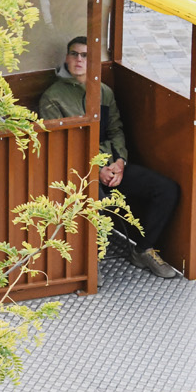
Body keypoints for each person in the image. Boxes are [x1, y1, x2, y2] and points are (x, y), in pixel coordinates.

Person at [37, 37, 181, 279]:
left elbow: (116, 130)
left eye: (86, 55)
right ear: (66, 58)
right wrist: (96, 170)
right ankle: (89, 264)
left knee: (167, 189)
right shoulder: (53, 98)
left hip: (110, 168)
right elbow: (60, 146)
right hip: (76, 172)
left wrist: (120, 163)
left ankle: (144, 250)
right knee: (97, 205)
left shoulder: (104, 92)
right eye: (75, 54)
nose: (79, 60)